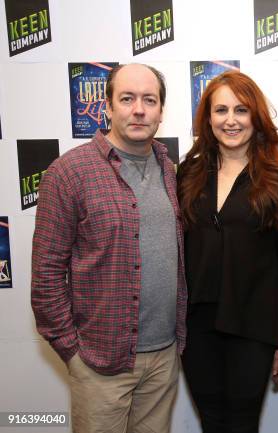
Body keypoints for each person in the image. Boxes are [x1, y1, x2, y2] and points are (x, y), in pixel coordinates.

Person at [31, 63, 186, 433]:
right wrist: (73, 353)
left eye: (149, 100)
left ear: (161, 111)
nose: (138, 109)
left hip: (163, 360)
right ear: (108, 106)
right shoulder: (68, 173)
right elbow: (47, 275)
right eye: (127, 99)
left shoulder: (170, 170)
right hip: (100, 366)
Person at [178, 70, 278, 433]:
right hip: (197, 323)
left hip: (254, 323)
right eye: (221, 111)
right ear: (208, 118)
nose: (230, 120)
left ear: (256, 117)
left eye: (241, 110)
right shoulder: (188, 173)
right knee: (212, 420)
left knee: (243, 423)